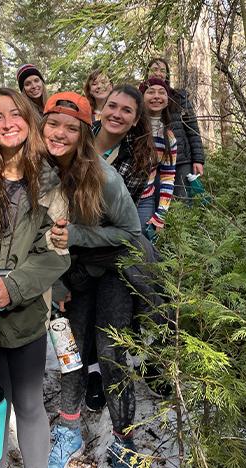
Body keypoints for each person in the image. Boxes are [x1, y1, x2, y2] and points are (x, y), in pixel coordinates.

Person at [42, 92, 144, 468]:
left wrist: (80, 235)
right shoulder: (38, 170)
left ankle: (125, 446)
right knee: (69, 349)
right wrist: (56, 282)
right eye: (54, 123)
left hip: (115, 268)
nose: (60, 133)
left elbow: (132, 234)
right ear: (42, 126)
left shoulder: (103, 176)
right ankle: (68, 430)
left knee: (110, 353)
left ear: (85, 133)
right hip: (71, 273)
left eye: (71, 127)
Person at [0, 88, 70, 468]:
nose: (8, 122)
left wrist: (12, 287)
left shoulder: (48, 180)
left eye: (16, 114)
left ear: (30, 122)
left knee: (30, 404)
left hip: (28, 312)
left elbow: (56, 253)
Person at [85, 84, 156, 412]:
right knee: (138, 250)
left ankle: (145, 350)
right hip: (75, 241)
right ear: (101, 107)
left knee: (115, 301)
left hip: (111, 242)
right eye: (112, 106)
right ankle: (93, 371)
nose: (117, 114)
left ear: (135, 119)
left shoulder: (138, 157)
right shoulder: (79, 138)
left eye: (126, 110)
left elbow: (124, 216)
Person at [145, 57, 205, 198]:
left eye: (162, 71)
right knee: (154, 201)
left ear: (167, 75)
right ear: (147, 73)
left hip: (181, 160)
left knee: (182, 204)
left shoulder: (179, 97)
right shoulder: (141, 98)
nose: (158, 73)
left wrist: (198, 160)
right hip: (152, 161)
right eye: (154, 69)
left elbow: (192, 129)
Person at [137, 78, 177, 240]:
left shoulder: (169, 138)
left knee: (141, 245)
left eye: (162, 93)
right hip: (118, 197)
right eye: (150, 92)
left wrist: (160, 214)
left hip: (145, 198)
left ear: (167, 101)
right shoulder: (131, 126)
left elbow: (168, 177)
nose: (156, 96)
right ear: (141, 98)